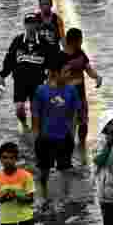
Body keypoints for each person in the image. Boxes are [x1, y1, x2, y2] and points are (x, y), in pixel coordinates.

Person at [32, 54, 81, 204]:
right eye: (66, 72)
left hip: (64, 138)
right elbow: (35, 116)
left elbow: (74, 114)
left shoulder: (71, 90)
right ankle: (44, 196)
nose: (69, 75)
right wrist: (36, 138)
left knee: (65, 171)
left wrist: (72, 134)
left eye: (70, 71)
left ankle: (65, 198)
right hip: (45, 139)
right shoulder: (41, 91)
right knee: (44, 172)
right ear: (54, 72)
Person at [0, 14, 52, 130]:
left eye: (33, 23)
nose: (31, 26)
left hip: (38, 81)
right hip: (20, 81)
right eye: (28, 23)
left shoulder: (43, 43)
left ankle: (36, 132)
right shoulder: (17, 41)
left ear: (37, 25)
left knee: (35, 110)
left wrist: (51, 79)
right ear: (25, 25)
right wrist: (2, 76)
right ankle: (24, 124)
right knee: (19, 109)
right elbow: (9, 59)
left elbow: (51, 62)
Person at [0, 141, 37, 225]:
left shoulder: (26, 176)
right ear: (0, 159)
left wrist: (16, 195)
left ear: (16, 159)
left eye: (11, 158)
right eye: (5, 157)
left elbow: (30, 199)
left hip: (25, 221)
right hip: (7, 222)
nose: (8, 161)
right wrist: (3, 197)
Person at [63, 28, 101, 147]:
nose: (82, 42)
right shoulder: (60, 57)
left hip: (81, 96)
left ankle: (82, 146)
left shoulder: (81, 53)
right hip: (66, 98)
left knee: (84, 123)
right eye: (80, 40)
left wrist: (97, 77)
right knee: (70, 126)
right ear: (73, 41)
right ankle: (69, 149)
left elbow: (88, 69)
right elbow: (53, 77)